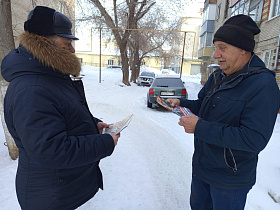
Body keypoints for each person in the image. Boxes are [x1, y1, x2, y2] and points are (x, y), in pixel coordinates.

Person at [1, 6, 120, 210]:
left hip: (60, 190)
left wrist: (93, 125)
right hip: (49, 197)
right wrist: (104, 143)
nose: (72, 50)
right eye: (67, 43)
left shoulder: (51, 77)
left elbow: (64, 114)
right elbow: (51, 150)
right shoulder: (33, 89)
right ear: (46, 43)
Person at [168, 14, 280, 210]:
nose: (216, 55)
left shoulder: (263, 85)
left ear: (243, 50)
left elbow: (254, 138)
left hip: (230, 181)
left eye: (222, 48)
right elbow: (203, 104)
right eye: (215, 47)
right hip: (202, 170)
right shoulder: (219, 75)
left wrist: (199, 127)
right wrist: (181, 103)